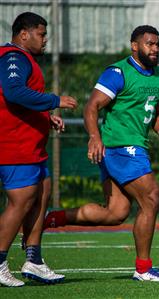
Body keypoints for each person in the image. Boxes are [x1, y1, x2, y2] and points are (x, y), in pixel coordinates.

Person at [44, 25, 159, 282]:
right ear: (134, 46)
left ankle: (51, 218)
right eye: (150, 44)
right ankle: (144, 268)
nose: (155, 49)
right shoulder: (117, 72)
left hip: (133, 146)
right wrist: (95, 137)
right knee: (151, 197)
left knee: (115, 213)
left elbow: (158, 109)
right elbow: (92, 106)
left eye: (157, 44)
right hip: (120, 146)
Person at [0, 12, 78, 287]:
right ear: (24, 34)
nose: (45, 40)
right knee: (20, 202)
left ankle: (33, 260)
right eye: (41, 34)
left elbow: (21, 101)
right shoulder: (13, 57)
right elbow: (13, 92)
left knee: (43, 190)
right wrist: (54, 100)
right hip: (14, 145)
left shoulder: (27, 60)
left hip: (32, 147)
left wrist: (46, 116)